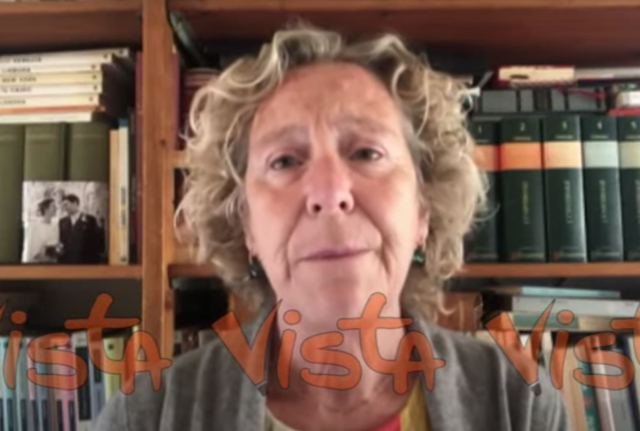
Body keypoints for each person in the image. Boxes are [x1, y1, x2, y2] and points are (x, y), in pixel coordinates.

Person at [94, 24, 568, 431]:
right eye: (284, 160)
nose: (329, 191)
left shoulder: (520, 406)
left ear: (424, 209)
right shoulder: (146, 417)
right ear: (246, 226)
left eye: (366, 152)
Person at [58, 193, 104, 263]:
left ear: (75, 203)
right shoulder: (62, 222)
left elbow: (95, 243)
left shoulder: (90, 220)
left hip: (84, 261)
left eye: (66, 204)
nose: (65, 208)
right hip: (68, 262)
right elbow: (61, 241)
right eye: (63, 205)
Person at [22, 198, 62, 263]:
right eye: (53, 206)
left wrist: (58, 249)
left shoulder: (55, 226)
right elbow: (32, 247)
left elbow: (56, 243)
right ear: (46, 209)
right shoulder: (35, 226)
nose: (56, 208)